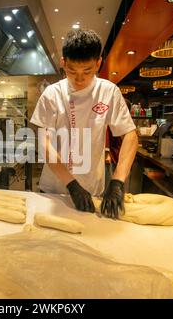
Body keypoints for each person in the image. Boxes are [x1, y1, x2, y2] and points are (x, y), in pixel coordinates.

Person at [30, 29, 138, 219]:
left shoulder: (109, 92)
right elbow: (44, 142)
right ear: (63, 63)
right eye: (72, 71)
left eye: (87, 71)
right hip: (54, 189)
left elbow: (129, 135)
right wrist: (71, 184)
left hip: (91, 187)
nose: (79, 79)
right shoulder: (52, 94)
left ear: (98, 63)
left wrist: (118, 181)